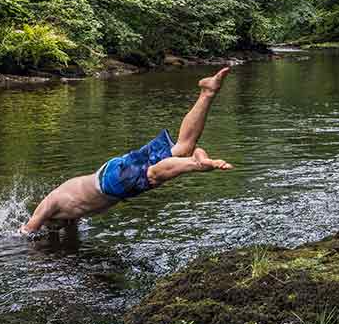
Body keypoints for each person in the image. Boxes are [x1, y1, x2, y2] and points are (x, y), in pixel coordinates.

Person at [19, 67, 234, 236]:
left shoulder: (50, 204)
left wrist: (18, 242)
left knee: (151, 175)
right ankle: (208, 92)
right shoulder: (67, 217)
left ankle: (197, 164)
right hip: (110, 175)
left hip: (109, 182)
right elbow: (71, 240)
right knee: (182, 146)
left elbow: (27, 231)